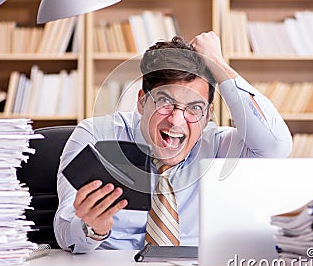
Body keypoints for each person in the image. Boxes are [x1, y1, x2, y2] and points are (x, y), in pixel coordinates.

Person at [54, 31, 292, 253]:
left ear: (208, 115)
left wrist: (217, 63)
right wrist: (94, 228)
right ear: (141, 102)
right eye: (165, 102)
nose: (177, 120)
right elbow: (64, 232)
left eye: (194, 108)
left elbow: (276, 145)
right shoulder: (97, 137)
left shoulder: (220, 147)